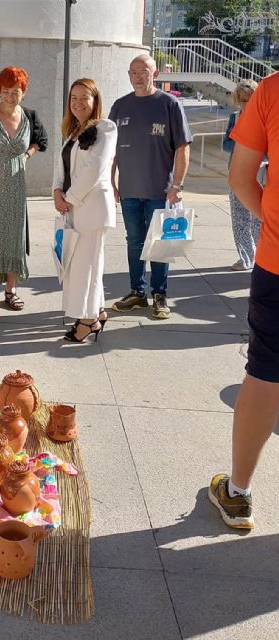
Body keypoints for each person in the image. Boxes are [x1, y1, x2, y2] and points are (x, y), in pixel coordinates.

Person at [208, 72, 279, 530]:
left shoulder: (272, 90)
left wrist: (271, 224)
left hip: (277, 262)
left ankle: (237, 493)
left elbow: (240, 176)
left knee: (265, 373)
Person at [109, 54, 192, 320]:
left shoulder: (169, 104)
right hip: (129, 191)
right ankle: (137, 292)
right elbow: (109, 150)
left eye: (143, 70)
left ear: (154, 74)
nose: (138, 76)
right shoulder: (120, 106)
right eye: (133, 71)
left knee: (159, 244)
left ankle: (160, 294)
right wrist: (110, 181)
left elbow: (182, 147)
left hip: (160, 191)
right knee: (134, 242)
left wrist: (177, 185)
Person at [0, 66, 48, 314]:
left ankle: (11, 291)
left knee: (14, 238)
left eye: (16, 91)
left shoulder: (29, 116)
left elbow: (43, 140)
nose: (10, 96)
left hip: (17, 187)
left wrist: (27, 155)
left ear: (24, 92)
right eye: (5, 91)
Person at [52, 78, 117, 342]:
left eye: (84, 97)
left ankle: (88, 321)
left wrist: (70, 197)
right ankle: (97, 312)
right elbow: (62, 167)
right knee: (82, 265)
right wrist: (56, 191)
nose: (78, 103)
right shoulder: (72, 131)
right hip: (72, 208)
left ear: (95, 100)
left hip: (91, 209)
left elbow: (96, 168)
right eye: (73, 98)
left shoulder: (106, 128)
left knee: (87, 266)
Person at [222, 80, 262, 271]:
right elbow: (226, 144)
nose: (246, 103)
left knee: (258, 217)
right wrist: (245, 145)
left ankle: (260, 257)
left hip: (260, 173)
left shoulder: (265, 119)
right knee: (239, 218)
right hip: (238, 173)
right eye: (243, 100)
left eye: (249, 99)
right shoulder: (235, 117)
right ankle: (245, 257)